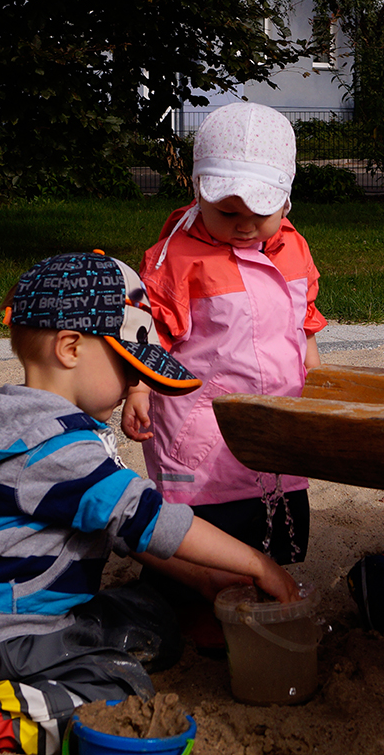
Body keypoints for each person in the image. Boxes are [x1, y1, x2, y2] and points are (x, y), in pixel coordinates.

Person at [0, 251, 301, 755]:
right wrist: (257, 563)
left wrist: (203, 578)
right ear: (70, 348)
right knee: (121, 688)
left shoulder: (17, 420)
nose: (135, 385)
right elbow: (150, 519)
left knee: (152, 622)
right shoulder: (57, 451)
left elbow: (115, 524)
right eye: (127, 367)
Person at [121, 102, 326, 570]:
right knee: (208, 534)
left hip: (280, 419)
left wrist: (318, 376)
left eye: (261, 210)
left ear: (286, 199)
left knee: (283, 528)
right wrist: (136, 389)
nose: (245, 224)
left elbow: (305, 319)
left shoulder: (293, 246)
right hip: (203, 429)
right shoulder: (180, 257)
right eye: (227, 210)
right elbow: (149, 333)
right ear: (198, 194)